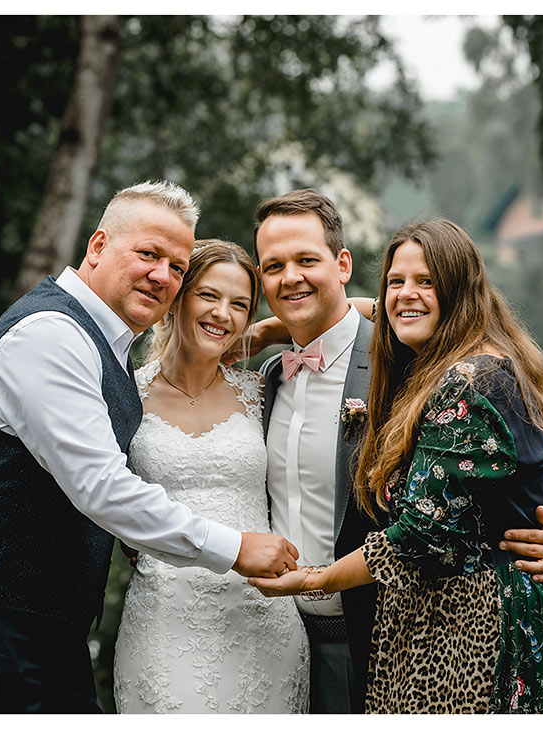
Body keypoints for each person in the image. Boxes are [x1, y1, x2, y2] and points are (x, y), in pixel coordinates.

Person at [0, 181, 299, 713]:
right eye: (148, 254)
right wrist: (234, 548)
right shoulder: (53, 336)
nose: (162, 275)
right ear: (97, 246)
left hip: (35, 622)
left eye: (177, 267)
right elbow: (102, 487)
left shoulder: (106, 345)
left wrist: (274, 329)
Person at [249, 190, 543, 714]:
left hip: (407, 640)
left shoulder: (408, 358)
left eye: (307, 260)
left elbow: (492, 489)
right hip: (276, 639)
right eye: (274, 266)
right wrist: (268, 330)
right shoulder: (266, 377)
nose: (291, 277)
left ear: (341, 264)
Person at [112, 240, 309, 713]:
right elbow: (67, 461)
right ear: (176, 296)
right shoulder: (122, 394)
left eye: (239, 303)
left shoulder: (265, 389)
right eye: (209, 296)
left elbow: (363, 316)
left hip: (265, 620)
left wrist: (263, 331)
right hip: (165, 623)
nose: (222, 314)